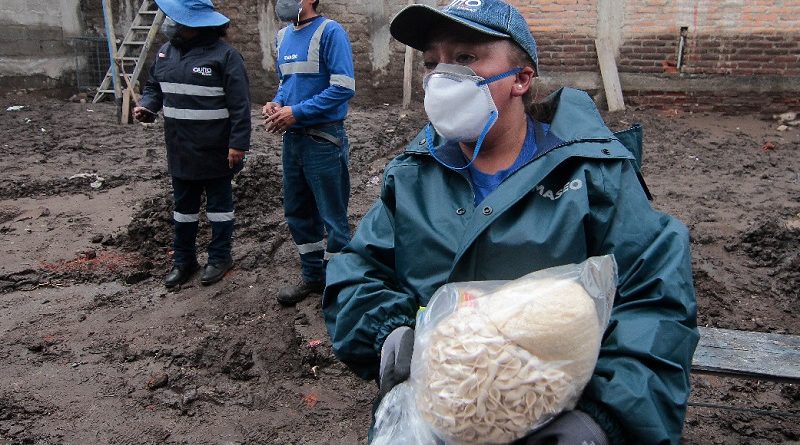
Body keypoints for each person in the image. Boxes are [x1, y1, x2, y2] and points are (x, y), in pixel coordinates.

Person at [322, 1, 699, 444]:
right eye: (432, 63)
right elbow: (358, 272)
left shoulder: (593, 175)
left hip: (552, 421)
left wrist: (603, 420)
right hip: (434, 419)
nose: (441, 78)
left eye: (464, 58)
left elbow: (655, 301)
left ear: (520, 79)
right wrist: (389, 335)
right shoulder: (412, 176)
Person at [134, 0, 251, 288]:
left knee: (219, 209)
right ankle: (184, 261)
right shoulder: (164, 53)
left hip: (216, 152)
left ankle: (220, 257)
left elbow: (240, 107)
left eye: (177, 19)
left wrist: (238, 145)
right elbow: (153, 87)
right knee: (182, 210)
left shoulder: (225, 57)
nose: (171, 24)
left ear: (196, 25)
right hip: (180, 149)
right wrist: (148, 106)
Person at [264, 0, 356, 306]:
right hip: (293, 139)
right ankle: (313, 277)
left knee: (333, 215)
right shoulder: (282, 36)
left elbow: (343, 87)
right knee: (298, 211)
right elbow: (286, 83)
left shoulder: (331, 32)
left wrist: (297, 112)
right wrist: (276, 103)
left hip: (323, 138)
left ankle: (338, 283)